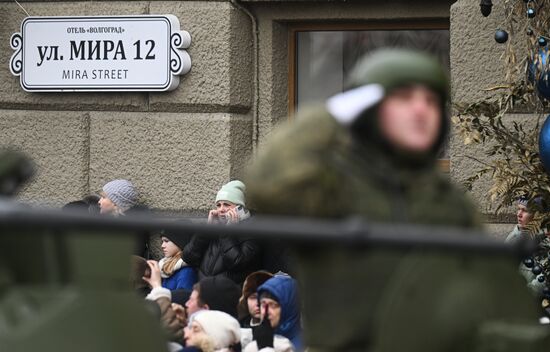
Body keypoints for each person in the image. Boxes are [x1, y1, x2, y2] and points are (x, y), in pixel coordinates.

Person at [245, 49, 546, 351]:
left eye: (431, 101)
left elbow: (478, 291)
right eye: (403, 98)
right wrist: (336, 113)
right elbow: (267, 184)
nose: (420, 110)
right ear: (369, 109)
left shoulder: (446, 199)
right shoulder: (334, 187)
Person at [183, 180, 261, 285]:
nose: (221, 209)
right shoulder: (215, 228)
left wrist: (227, 232)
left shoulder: (251, 231)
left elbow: (237, 263)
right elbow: (188, 258)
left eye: (226, 205)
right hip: (204, 291)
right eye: (218, 205)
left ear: (239, 208)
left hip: (229, 295)